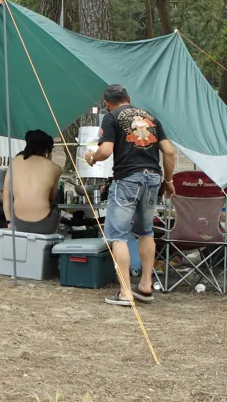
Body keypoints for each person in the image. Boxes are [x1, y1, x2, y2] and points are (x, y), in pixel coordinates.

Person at [85, 84, 175, 307]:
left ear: (107, 103)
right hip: (153, 178)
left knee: (117, 235)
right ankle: (145, 285)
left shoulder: (111, 117)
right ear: (128, 98)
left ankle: (125, 291)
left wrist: (93, 158)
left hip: (127, 179)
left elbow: (105, 151)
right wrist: (169, 181)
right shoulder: (150, 117)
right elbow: (169, 151)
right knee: (146, 232)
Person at [4, 129, 63, 234]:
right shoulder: (55, 168)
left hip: (19, 223)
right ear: (47, 149)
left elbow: (6, 194)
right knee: (54, 204)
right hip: (45, 224)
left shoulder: (15, 162)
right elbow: (52, 196)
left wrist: (9, 220)